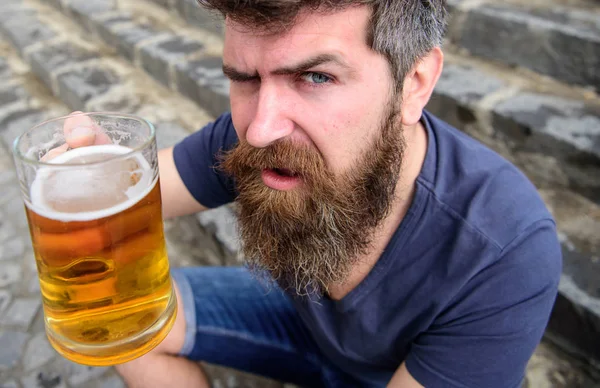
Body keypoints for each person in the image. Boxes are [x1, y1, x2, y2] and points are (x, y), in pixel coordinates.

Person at [60, 1, 562, 387]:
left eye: (316, 76)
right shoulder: (256, 137)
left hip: (398, 372)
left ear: (414, 83)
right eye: (245, 79)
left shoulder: (505, 248)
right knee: (120, 318)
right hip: (299, 324)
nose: (260, 131)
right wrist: (91, 175)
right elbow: (137, 194)